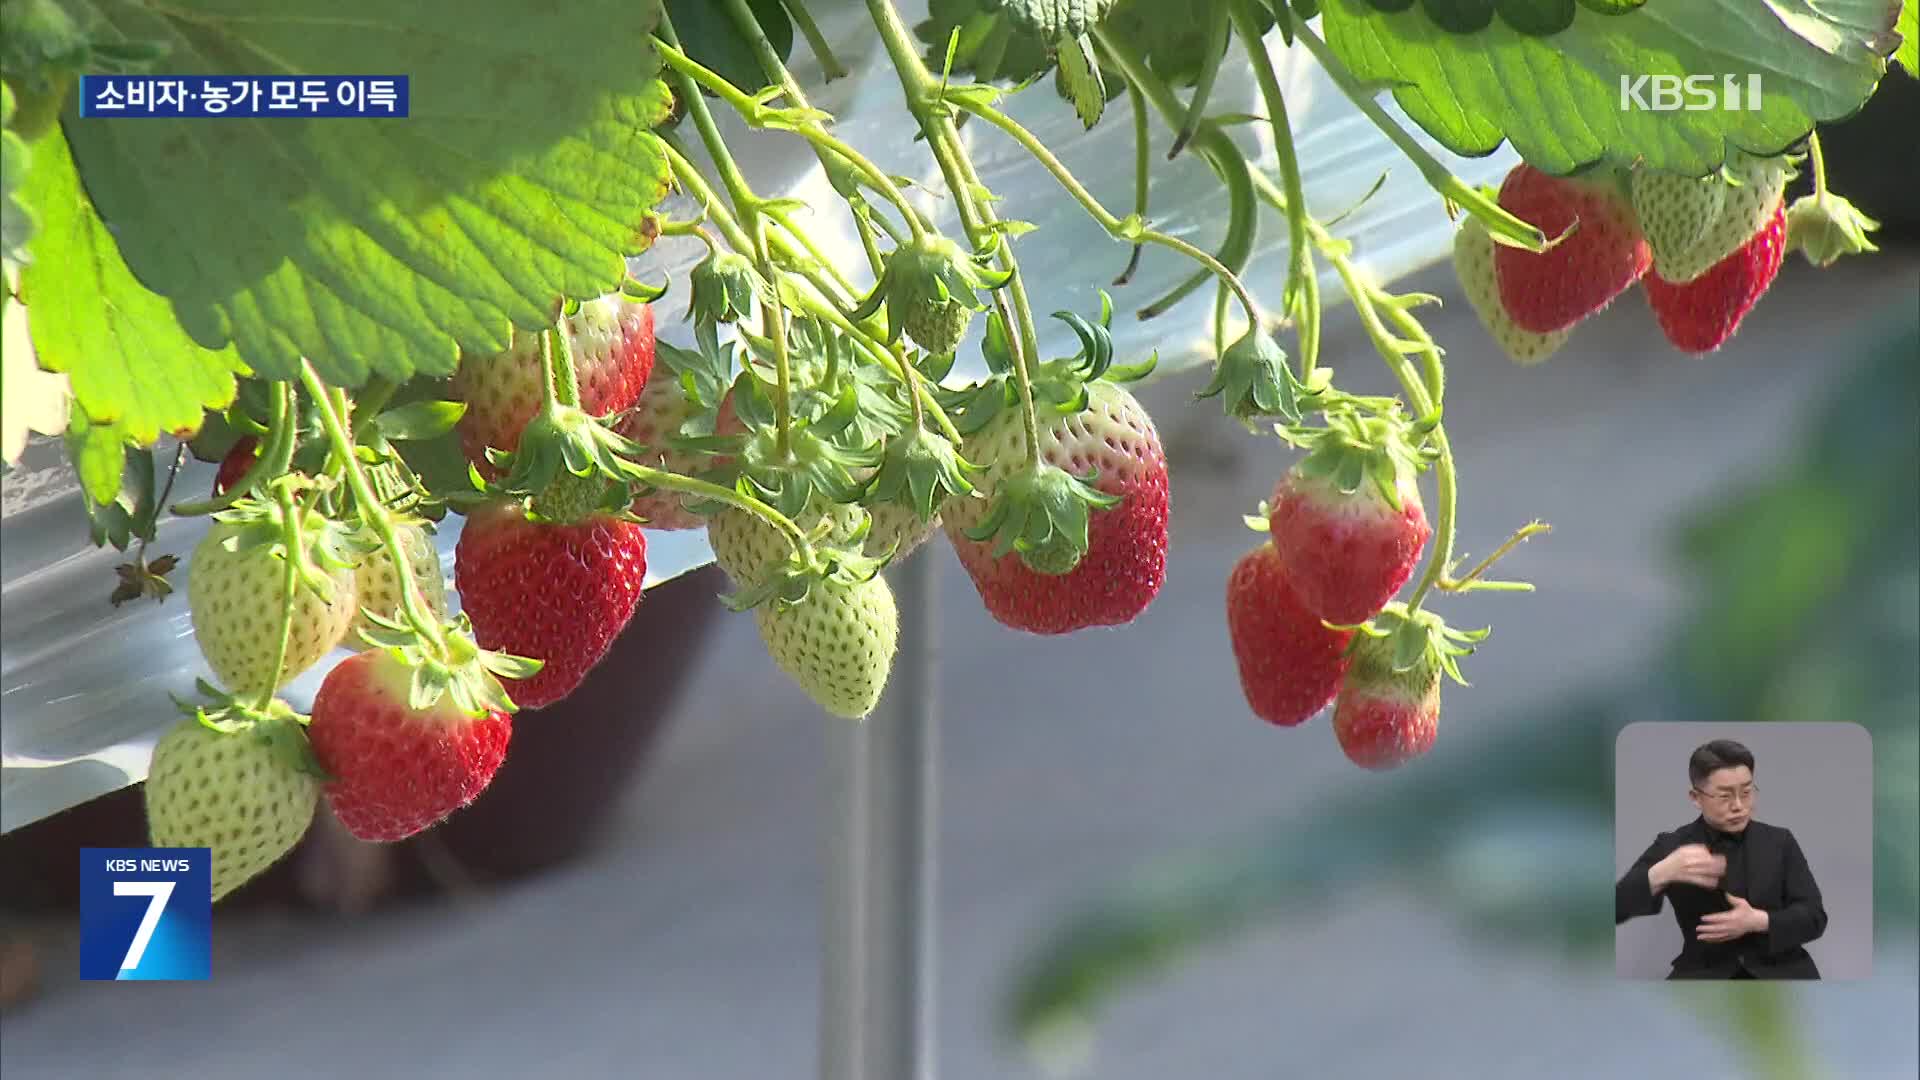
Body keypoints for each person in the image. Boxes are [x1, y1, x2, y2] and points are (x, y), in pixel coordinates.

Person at [1615, 739, 1827, 979]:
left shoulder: (1780, 841)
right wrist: (1662, 873)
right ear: (1696, 797)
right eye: (1725, 796)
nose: (1739, 806)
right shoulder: (1672, 846)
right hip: (1703, 974)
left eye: (1746, 792)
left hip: (1782, 972)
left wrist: (1758, 920)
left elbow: (1815, 917)